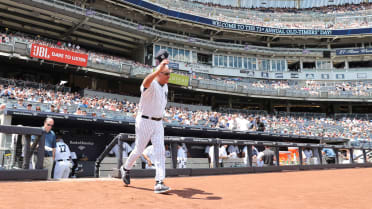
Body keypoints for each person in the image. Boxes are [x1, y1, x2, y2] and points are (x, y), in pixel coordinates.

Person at [120, 50, 171, 194]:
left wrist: (162, 114)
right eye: (166, 74)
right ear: (159, 74)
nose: (168, 76)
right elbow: (145, 83)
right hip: (144, 121)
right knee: (139, 150)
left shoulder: (165, 85)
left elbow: (160, 102)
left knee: (160, 151)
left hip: (158, 122)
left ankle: (159, 182)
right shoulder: (152, 82)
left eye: (168, 73)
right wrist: (157, 70)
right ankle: (126, 168)